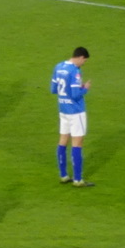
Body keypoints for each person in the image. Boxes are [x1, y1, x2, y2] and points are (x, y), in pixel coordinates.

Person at [51, 46, 93, 187]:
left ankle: (63, 175)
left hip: (63, 110)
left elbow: (53, 89)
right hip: (76, 112)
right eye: (84, 61)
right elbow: (76, 95)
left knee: (62, 141)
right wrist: (85, 88)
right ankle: (77, 179)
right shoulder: (75, 71)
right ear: (80, 57)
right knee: (77, 144)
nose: (83, 64)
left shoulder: (58, 67)